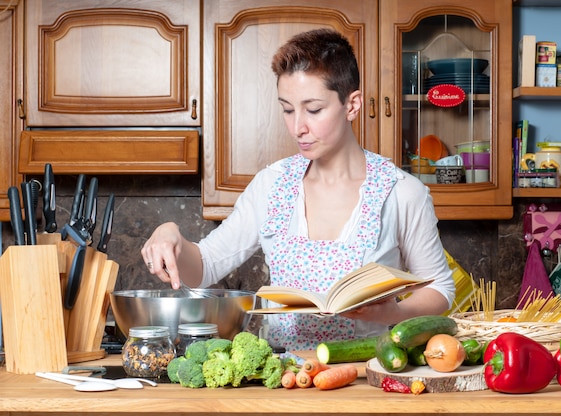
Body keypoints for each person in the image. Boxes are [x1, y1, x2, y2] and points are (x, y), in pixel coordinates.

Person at [142, 28, 455, 350]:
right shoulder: (271, 185)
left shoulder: (401, 192)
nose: (297, 128)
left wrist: (394, 312)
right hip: (283, 376)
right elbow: (204, 268)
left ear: (352, 104)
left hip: (366, 376)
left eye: (314, 110)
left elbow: (441, 289)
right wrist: (170, 234)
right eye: (288, 109)